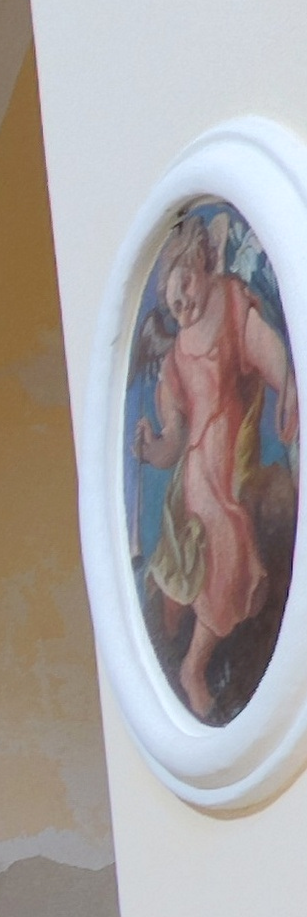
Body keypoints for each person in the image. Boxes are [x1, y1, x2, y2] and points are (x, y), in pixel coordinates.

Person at [135, 211, 299, 717]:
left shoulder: (230, 306)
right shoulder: (174, 358)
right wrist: (151, 448)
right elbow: (174, 435)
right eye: (170, 295)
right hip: (199, 472)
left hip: (235, 457)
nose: (180, 300)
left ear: (203, 265)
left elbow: (270, 357)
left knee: (230, 548)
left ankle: (186, 613)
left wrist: (287, 395)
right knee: (224, 536)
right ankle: (193, 667)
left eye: (183, 283)